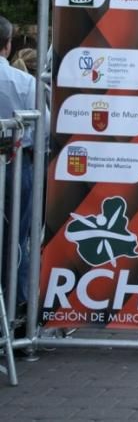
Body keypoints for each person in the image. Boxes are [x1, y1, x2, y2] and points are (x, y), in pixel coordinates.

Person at [0, 17, 41, 308]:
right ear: (8, 44)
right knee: (16, 237)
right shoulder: (24, 82)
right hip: (15, 165)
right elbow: (43, 131)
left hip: (17, 163)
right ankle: (16, 307)